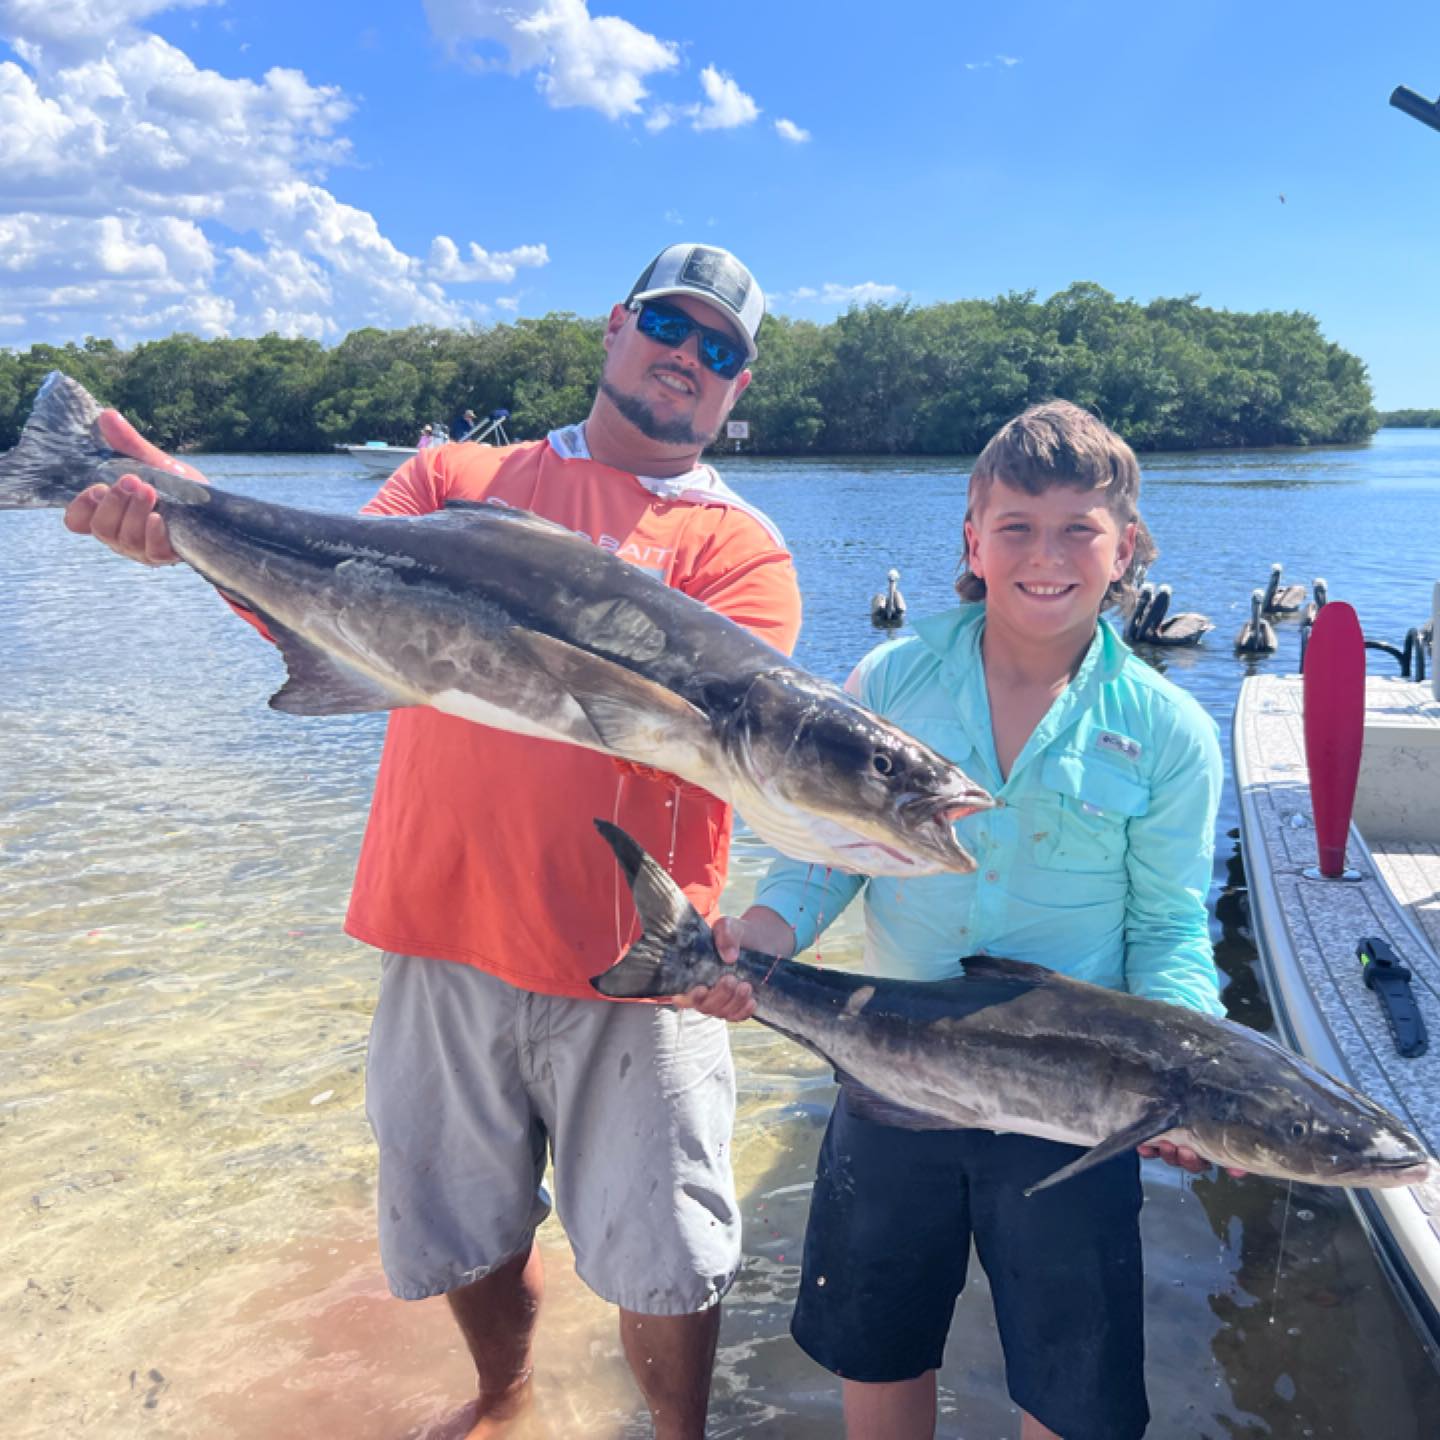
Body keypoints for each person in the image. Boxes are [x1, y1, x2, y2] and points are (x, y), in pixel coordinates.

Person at [61, 242, 800, 1440]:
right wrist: (176, 518)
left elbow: (714, 744)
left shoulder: (742, 552)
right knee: (462, 1227)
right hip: (440, 925)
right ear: (615, 326)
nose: (689, 359)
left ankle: (677, 1437)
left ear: (736, 391)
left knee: (669, 1252)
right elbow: (323, 609)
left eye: (721, 351)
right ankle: (503, 1397)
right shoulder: (456, 472)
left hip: (641, 962)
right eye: (672, 325)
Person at [689, 400, 1236, 1440]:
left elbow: (1169, 925)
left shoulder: (1169, 732)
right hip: (890, 1077)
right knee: (878, 1343)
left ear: (1127, 549)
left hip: (1077, 1102)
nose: (1047, 554)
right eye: (1016, 526)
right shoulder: (888, 683)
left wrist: (1188, 1074)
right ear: (971, 540)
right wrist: (755, 940)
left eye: (1081, 528)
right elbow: (825, 859)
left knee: (1073, 1385)